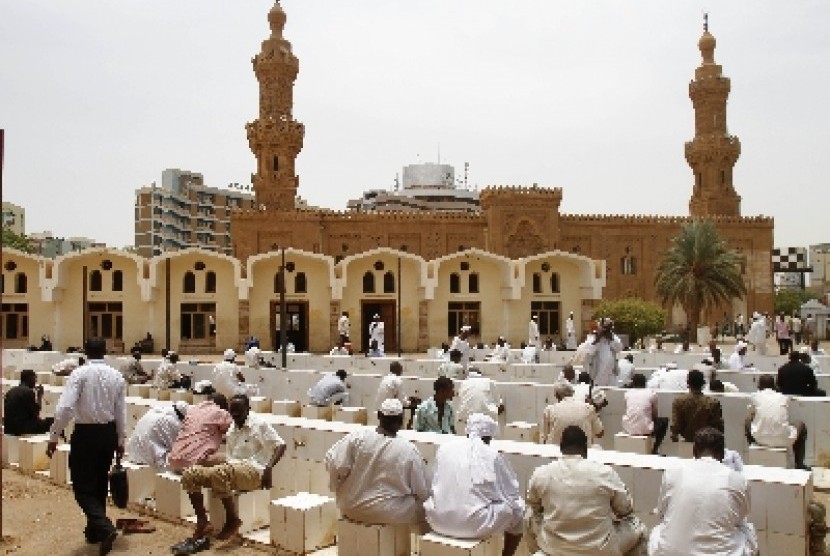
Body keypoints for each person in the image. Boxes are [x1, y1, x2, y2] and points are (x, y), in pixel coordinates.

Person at [46, 337, 126, 554]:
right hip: (108, 433)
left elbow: (65, 408)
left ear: (85, 351)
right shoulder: (116, 375)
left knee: (82, 486)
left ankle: (104, 527)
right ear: (105, 351)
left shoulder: (79, 374)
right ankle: (94, 531)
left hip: (86, 434)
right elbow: (121, 412)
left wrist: (54, 436)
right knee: (99, 482)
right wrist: (120, 440)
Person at [526, 426, 646, 555]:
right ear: (585, 448)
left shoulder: (541, 474)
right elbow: (625, 510)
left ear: (561, 447)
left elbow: (534, 506)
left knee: (529, 515)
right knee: (637, 526)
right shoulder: (604, 472)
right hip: (601, 549)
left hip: (554, 547)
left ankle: (539, 551)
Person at [180, 394, 286, 541]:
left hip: (254, 471)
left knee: (219, 472)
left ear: (248, 409)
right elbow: (231, 458)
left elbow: (281, 445)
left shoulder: (259, 424)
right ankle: (203, 521)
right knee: (190, 474)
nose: (235, 415)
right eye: (232, 412)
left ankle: (232, 520)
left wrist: (268, 468)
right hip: (234, 468)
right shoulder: (232, 427)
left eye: (238, 412)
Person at [424, 413, 524, 556]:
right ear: (489, 437)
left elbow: (433, 482)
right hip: (472, 526)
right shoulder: (492, 454)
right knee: (518, 508)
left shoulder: (445, 449)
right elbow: (511, 492)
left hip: (436, 521)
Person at [648, 427, 758, 555]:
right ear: (722, 454)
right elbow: (740, 518)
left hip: (670, 552)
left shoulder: (674, 472)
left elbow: (662, 512)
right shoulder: (737, 480)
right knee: (748, 531)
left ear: (694, 451)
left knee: (657, 530)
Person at [325, 399, 429, 525]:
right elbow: (422, 490)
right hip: (387, 514)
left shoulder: (357, 437)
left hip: (350, 507)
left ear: (379, 416)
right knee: (423, 504)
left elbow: (332, 462)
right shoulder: (409, 450)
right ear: (402, 420)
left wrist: (336, 486)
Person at [745, 374, 808, 469]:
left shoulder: (754, 396)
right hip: (783, 440)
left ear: (759, 386)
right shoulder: (783, 397)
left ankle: (754, 448)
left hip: (760, 439)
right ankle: (799, 464)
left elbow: (751, 415)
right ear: (774, 386)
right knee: (800, 425)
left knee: (747, 422)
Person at [168, 393, 231, 472]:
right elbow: (234, 432)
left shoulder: (192, 411)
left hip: (174, 461)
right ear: (224, 406)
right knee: (233, 458)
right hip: (193, 463)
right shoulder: (220, 412)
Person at [126, 401, 190, 469]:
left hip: (133, 454)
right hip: (147, 460)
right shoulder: (172, 422)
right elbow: (175, 447)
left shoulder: (154, 411)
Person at [541, 381, 604, 446]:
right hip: (582, 453)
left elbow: (544, 438)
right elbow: (600, 433)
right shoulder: (589, 408)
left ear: (556, 395)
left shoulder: (549, 410)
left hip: (555, 453)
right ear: (573, 393)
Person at [670, 369, 723, 443]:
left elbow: (675, 427)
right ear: (703, 383)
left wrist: (675, 439)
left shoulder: (679, 401)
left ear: (688, 382)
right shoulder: (713, 403)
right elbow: (718, 427)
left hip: (687, 441)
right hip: (707, 443)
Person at [622, 373, 668, 455]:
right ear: (645, 383)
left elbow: (627, 410)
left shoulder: (627, 393)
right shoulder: (651, 393)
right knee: (664, 421)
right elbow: (654, 414)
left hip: (628, 428)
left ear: (633, 383)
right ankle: (655, 449)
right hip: (645, 429)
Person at [3, 369, 54, 435]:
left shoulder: (11, 391)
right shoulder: (28, 392)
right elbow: (35, 414)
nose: (36, 381)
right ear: (30, 379)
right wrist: (39, 396)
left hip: (8, 428)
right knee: (53, 421)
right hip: (21, 428)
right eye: (35, 378)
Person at [585, 317, 623, 387]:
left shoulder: (612, 337)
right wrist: (597, 339)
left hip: (610, 375)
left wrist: (611, 338)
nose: (604, 329)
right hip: (598, 375)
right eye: (603, 327)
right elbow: (589, 351)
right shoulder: (593, 337)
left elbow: (619, 348)